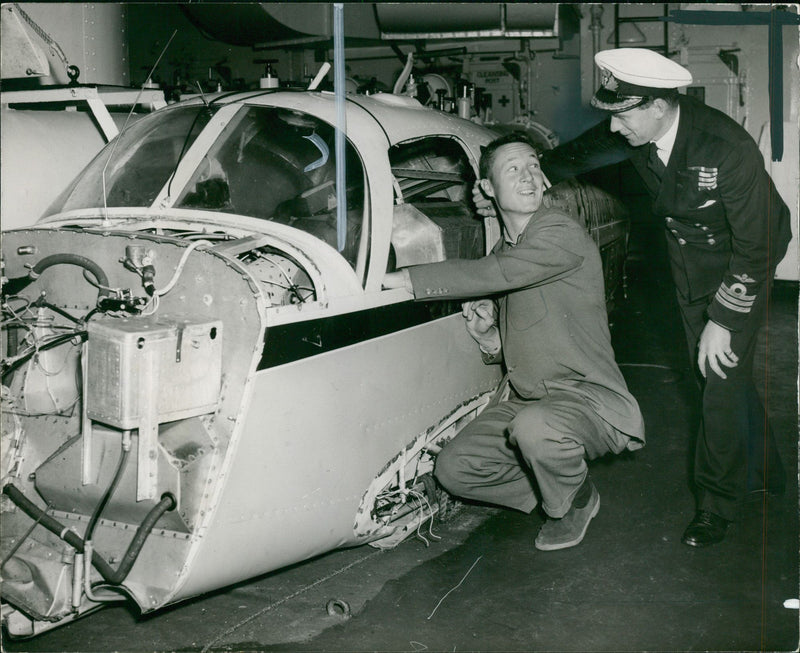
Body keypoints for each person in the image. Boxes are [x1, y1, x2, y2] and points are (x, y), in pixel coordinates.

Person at [474, 48, 792, 547]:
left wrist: (725, 318)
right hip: (688, 269)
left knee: (719, 377)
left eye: (623, 116)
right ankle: (767, 472)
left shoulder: (724, 147)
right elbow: (572, 157)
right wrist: (510, 183)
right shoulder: (632, 122)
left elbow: (762, 242)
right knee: (722, 375)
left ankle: (716, 505)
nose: (615, 129)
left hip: (740, 266)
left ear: (658, 107)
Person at [383, 132, 645, 551]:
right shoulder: (510, 246)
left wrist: (405, 278)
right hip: (531, 402)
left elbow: (495, 273)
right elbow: (525, 333)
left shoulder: (559, 232)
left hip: (586, 401)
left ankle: (571, 501)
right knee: (455, 470)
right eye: (513, 169)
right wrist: (490, 338)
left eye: (533, 166)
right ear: (487, 188)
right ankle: (562, 490)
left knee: (534, 428)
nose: (528, 176)